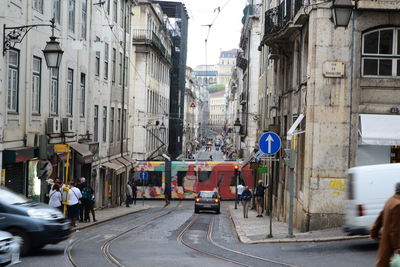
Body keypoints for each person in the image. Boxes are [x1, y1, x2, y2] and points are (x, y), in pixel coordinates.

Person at [370, 182, 400, 267]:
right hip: (391, 247)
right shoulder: (398, 205)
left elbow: (379, 218)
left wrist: (373, 232)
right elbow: (395, 230)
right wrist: (397, 248)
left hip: (385, 245)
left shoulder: (390, 200)